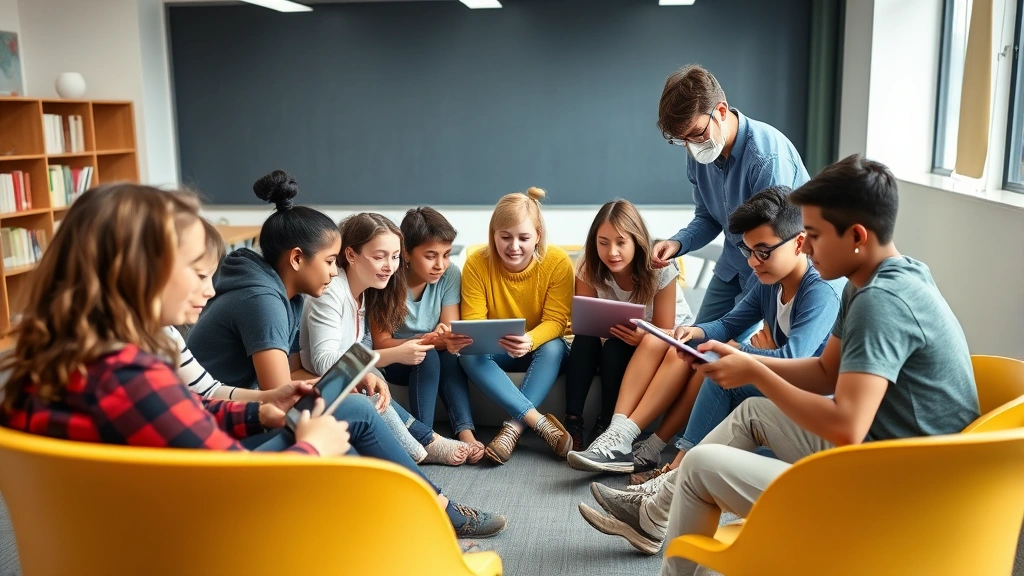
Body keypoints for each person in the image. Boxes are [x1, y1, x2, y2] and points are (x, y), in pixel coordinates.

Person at [578, 155, 981, 571]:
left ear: (857, 235)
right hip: (881, 452)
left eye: (815, 235)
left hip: (902, 488)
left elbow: (846, 425)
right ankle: (652, 513)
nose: (806, 244)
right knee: (753, 410)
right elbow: (824, 370)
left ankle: (655, 513)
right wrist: (746, 360)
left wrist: (753, 368)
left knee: (700, 466)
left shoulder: (880, 302)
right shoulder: (874, 281)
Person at [570, 186, 842, 477]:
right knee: (685, 347)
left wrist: (742, 351)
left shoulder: (820, 290)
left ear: (799, 243)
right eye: (747, 251)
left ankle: (668, 465)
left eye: (762, 252)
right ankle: (637, 445)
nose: (752, 262)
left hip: (810, 397)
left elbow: (792, 358)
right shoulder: (769, 280)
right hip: (777, 380)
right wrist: (693, 331)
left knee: (716, 364)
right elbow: (727, 324)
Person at [302, 212, 472, 466]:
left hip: (344, 380)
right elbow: (323, 360)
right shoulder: (332, 291)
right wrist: (367, 371)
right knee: (369, 384)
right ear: (350, 255)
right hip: (318, 380)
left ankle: (425, 441)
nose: (391, 267)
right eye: (379, 256)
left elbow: (363, 349)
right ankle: (426, 440)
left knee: (374, 380)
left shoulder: (365, 292)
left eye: (394, 257)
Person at [650, 64, 809, 326]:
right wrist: (677, 244)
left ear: (721, 111)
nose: (691, 146)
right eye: (681, 140)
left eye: (696, 134)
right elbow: (708, 218)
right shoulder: (699, 154)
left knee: (724, 353)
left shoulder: (767, 158)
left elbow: (773, 246)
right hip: (733, 266)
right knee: (695, 346)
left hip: (770, 270)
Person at [564, 199, 693, 451]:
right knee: (585, 340)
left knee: (614, 348)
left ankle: (606, 423)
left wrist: (643, 337)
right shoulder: (589, 266)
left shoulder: (660, 268)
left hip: (661, 339)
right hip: (612, 336)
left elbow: (665, 331)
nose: (612, 252)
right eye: (603, 243)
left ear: (636, 241)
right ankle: (573, 423)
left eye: (621, 243)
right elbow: (584, 321)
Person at [459, 187, 574, 464]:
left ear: (538, 236)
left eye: (524, 238)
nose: (514, 247)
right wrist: (498, 340)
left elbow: (557, 321)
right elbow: (473, 323)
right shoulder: (476, 263)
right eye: (505, 237)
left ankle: (513, 428)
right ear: (493, 235)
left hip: (540, 349)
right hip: (497, 350)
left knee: (555, 348)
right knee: (468, 354)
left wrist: (530, 340)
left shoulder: (557, 262)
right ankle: (537, 422)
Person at [371, 207, 482, 463]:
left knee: (450, 356)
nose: (440, 265)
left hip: (433, 352)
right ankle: (425, 437)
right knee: (428, 355)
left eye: (446, 254)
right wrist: (428, 340)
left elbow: (449, 329)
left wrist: (444, 337)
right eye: (431, 256)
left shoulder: (450, 274)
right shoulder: (387, 278)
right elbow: (382, 342)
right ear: (407, 252)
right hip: (395, 358)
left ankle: (465, 431)